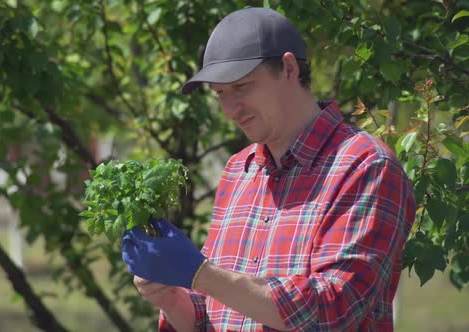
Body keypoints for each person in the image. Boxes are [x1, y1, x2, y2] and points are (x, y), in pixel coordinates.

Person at [121, 7, 416, 331]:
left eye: (242, 86)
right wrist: (172, 296)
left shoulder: (365, 167)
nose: (231, 110)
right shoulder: (238, 171)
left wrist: (201, 275)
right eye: (220, 94)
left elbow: (334, 311)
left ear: (288, 68)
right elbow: (211, 315)